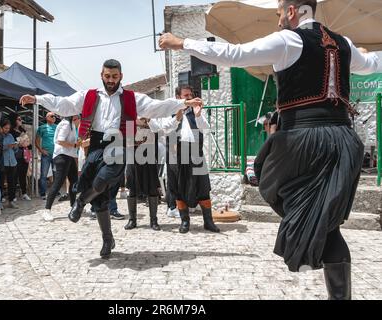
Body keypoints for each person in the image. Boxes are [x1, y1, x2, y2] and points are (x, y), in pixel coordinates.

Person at [159, 0, 381, 299]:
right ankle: (320, 264)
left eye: (279, 15)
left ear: (292, 11)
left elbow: (234, 54)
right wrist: (364, 55)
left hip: (303, 140)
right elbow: (373, 64)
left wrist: (181, 42)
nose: (278, 22)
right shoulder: (344, 45)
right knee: (328, 222)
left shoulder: (288, 40)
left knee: (268, 179)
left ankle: (304, 241)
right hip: (343, 140)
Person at [20, 59, 202, 258]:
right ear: (102, 75)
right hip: (96, 145)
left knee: (103, 179)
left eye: (115, 76)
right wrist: (38, 99)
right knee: (99, 197)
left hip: (119, 144)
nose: (111, 80)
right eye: (107, 76)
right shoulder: (88, 95)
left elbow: (156, 107)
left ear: (121, 77)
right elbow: (65, 104)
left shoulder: (133, 98)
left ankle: (80, 202)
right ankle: (108, 239)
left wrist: (183, 103)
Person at [149, 85, 220, 234]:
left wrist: (199, 115)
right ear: (178, 97)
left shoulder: (197, 111)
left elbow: (206, 129)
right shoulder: (169, 112)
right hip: (176, 154)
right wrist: (177, 117)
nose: (189, 97)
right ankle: (185, 221)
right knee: (178, 189)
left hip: (195, 152)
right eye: (185, 95)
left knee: (203, 187)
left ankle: (208, 221)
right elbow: (164, 129)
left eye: (190, 95)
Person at [124, 117, 162, 231]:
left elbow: (157, 130)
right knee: (132, 189)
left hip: (149, 156)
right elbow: (127, 141)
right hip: (133, 157)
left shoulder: (151, 118)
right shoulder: (129, 120)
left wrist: (147, 121)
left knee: (152, 189)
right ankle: (132, 220)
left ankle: (154, 220)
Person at [42, 115, 81, 222]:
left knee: (74, 182)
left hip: (69, 156)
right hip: (62, 156)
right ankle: (47, 210)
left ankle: (73, 207)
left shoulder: (71, 124)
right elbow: (60, 141)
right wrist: (74, 145)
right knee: (58, 183)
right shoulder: (66, 124)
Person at [9, 114, 32, 201]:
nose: (20, 120)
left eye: (21, 119)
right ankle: (13, 195)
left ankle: (24, 193)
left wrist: (28, 143)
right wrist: (19, 142)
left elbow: (29, 144)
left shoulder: (23, 130)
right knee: (14, 176)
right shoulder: (11, 132)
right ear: (14, 120)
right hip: (15, 155)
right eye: (18, 119)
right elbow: (13, 144)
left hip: (24, 155)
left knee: (23, 175)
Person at [36, 112, 57, 200]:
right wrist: (41, 150)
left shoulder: (57, 127)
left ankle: (55, 191)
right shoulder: (41, 127)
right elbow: (36, 140)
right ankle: (43, 193)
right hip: (47, 154)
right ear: (47, 117)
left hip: (56, 154)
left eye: (55, 116)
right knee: (43, 174)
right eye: (52, 116)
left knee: (56, 174)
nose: (54, 117)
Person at [0, 119, 19, 209]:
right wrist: (7, 146)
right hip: (3, 162)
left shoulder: (11, 135)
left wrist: (15, 146)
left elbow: (15, 150)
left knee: (12, 183)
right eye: (5, 128)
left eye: (8, 128)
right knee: (1, 182)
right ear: (1, 127)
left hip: (13, 162)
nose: (7, 130)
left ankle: (11, 200)